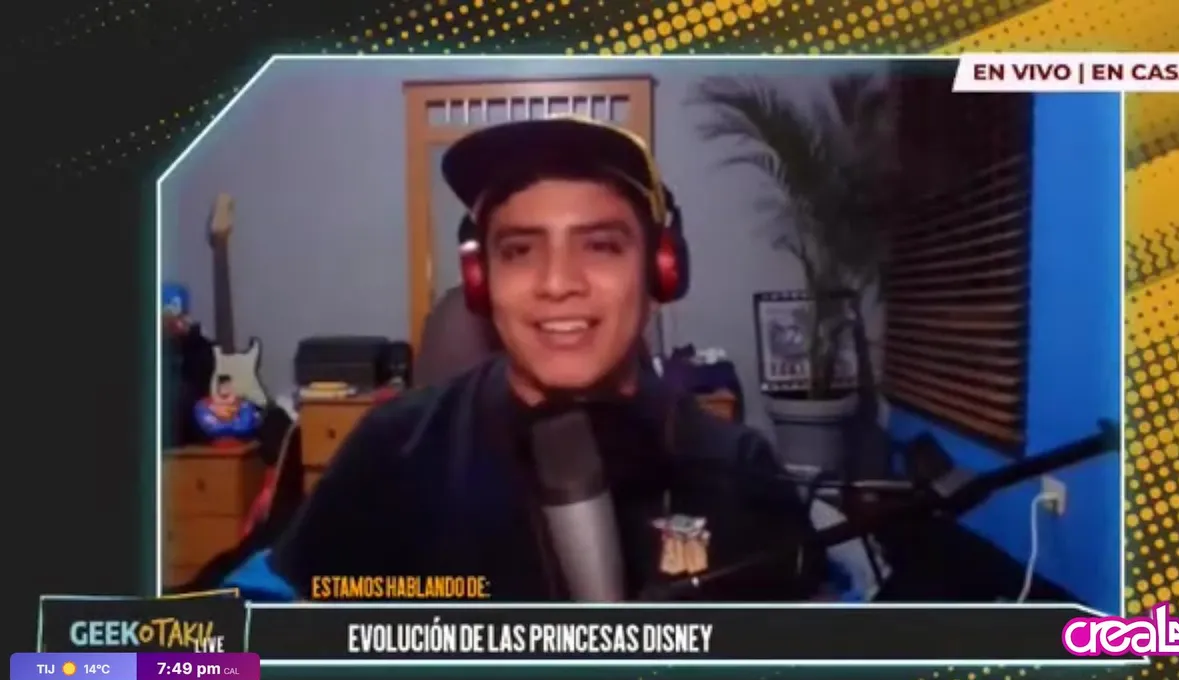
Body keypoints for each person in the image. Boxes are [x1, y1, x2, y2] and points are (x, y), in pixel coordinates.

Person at [222, 117, 826, 602]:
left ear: (660, 272)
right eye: (519, 251)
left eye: (601, 245)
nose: (558, 283)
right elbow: (244, 637)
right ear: (480, 281)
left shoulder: (736, 469)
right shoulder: (393, 451)